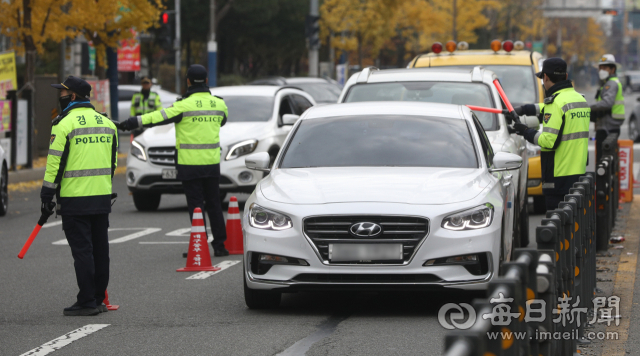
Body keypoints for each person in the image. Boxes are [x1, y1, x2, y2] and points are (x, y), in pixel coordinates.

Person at [116, 65, 229, 256]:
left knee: (195, 205)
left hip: (189, 164)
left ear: (188, 81)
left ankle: (198, 246)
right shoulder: (219, 104)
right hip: (211, 164)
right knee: (214, 204)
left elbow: (157, 118)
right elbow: (222, 121)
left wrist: (132, 122)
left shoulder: (183, 105)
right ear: (207, 81)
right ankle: (220, 246)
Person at [42, 76, 118, 316]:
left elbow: (55, 164)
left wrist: (47, 195)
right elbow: (112, 164)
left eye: (63, 93)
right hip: (102, 197)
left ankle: (86, 301)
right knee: (100, 249)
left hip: (75, 198)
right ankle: (98, 299)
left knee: (83, 251)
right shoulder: (108, 124)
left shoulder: (63, 124)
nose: (60, 97)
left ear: (72, 96)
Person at [512, 58, 590, 211]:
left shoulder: (554, 104)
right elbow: (552, 109)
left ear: (546, 77)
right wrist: (525, 109)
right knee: (574, 224)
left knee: (556, 226)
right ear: (565, 76)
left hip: (558, 176)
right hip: (577, 172)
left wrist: (525, 131)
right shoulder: (579, 99)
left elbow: (549, 141)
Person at [591, 54, 625, 162]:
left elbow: (607, 103)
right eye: (600, 68)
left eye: (604, 68)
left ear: (612, 69)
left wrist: (588, 108)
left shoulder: (611, 84)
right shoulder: (607, 83)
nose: (601, 70)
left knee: (603, 159)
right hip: (608, 125)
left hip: (608, 127)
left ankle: (605, 179)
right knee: (608, 159)